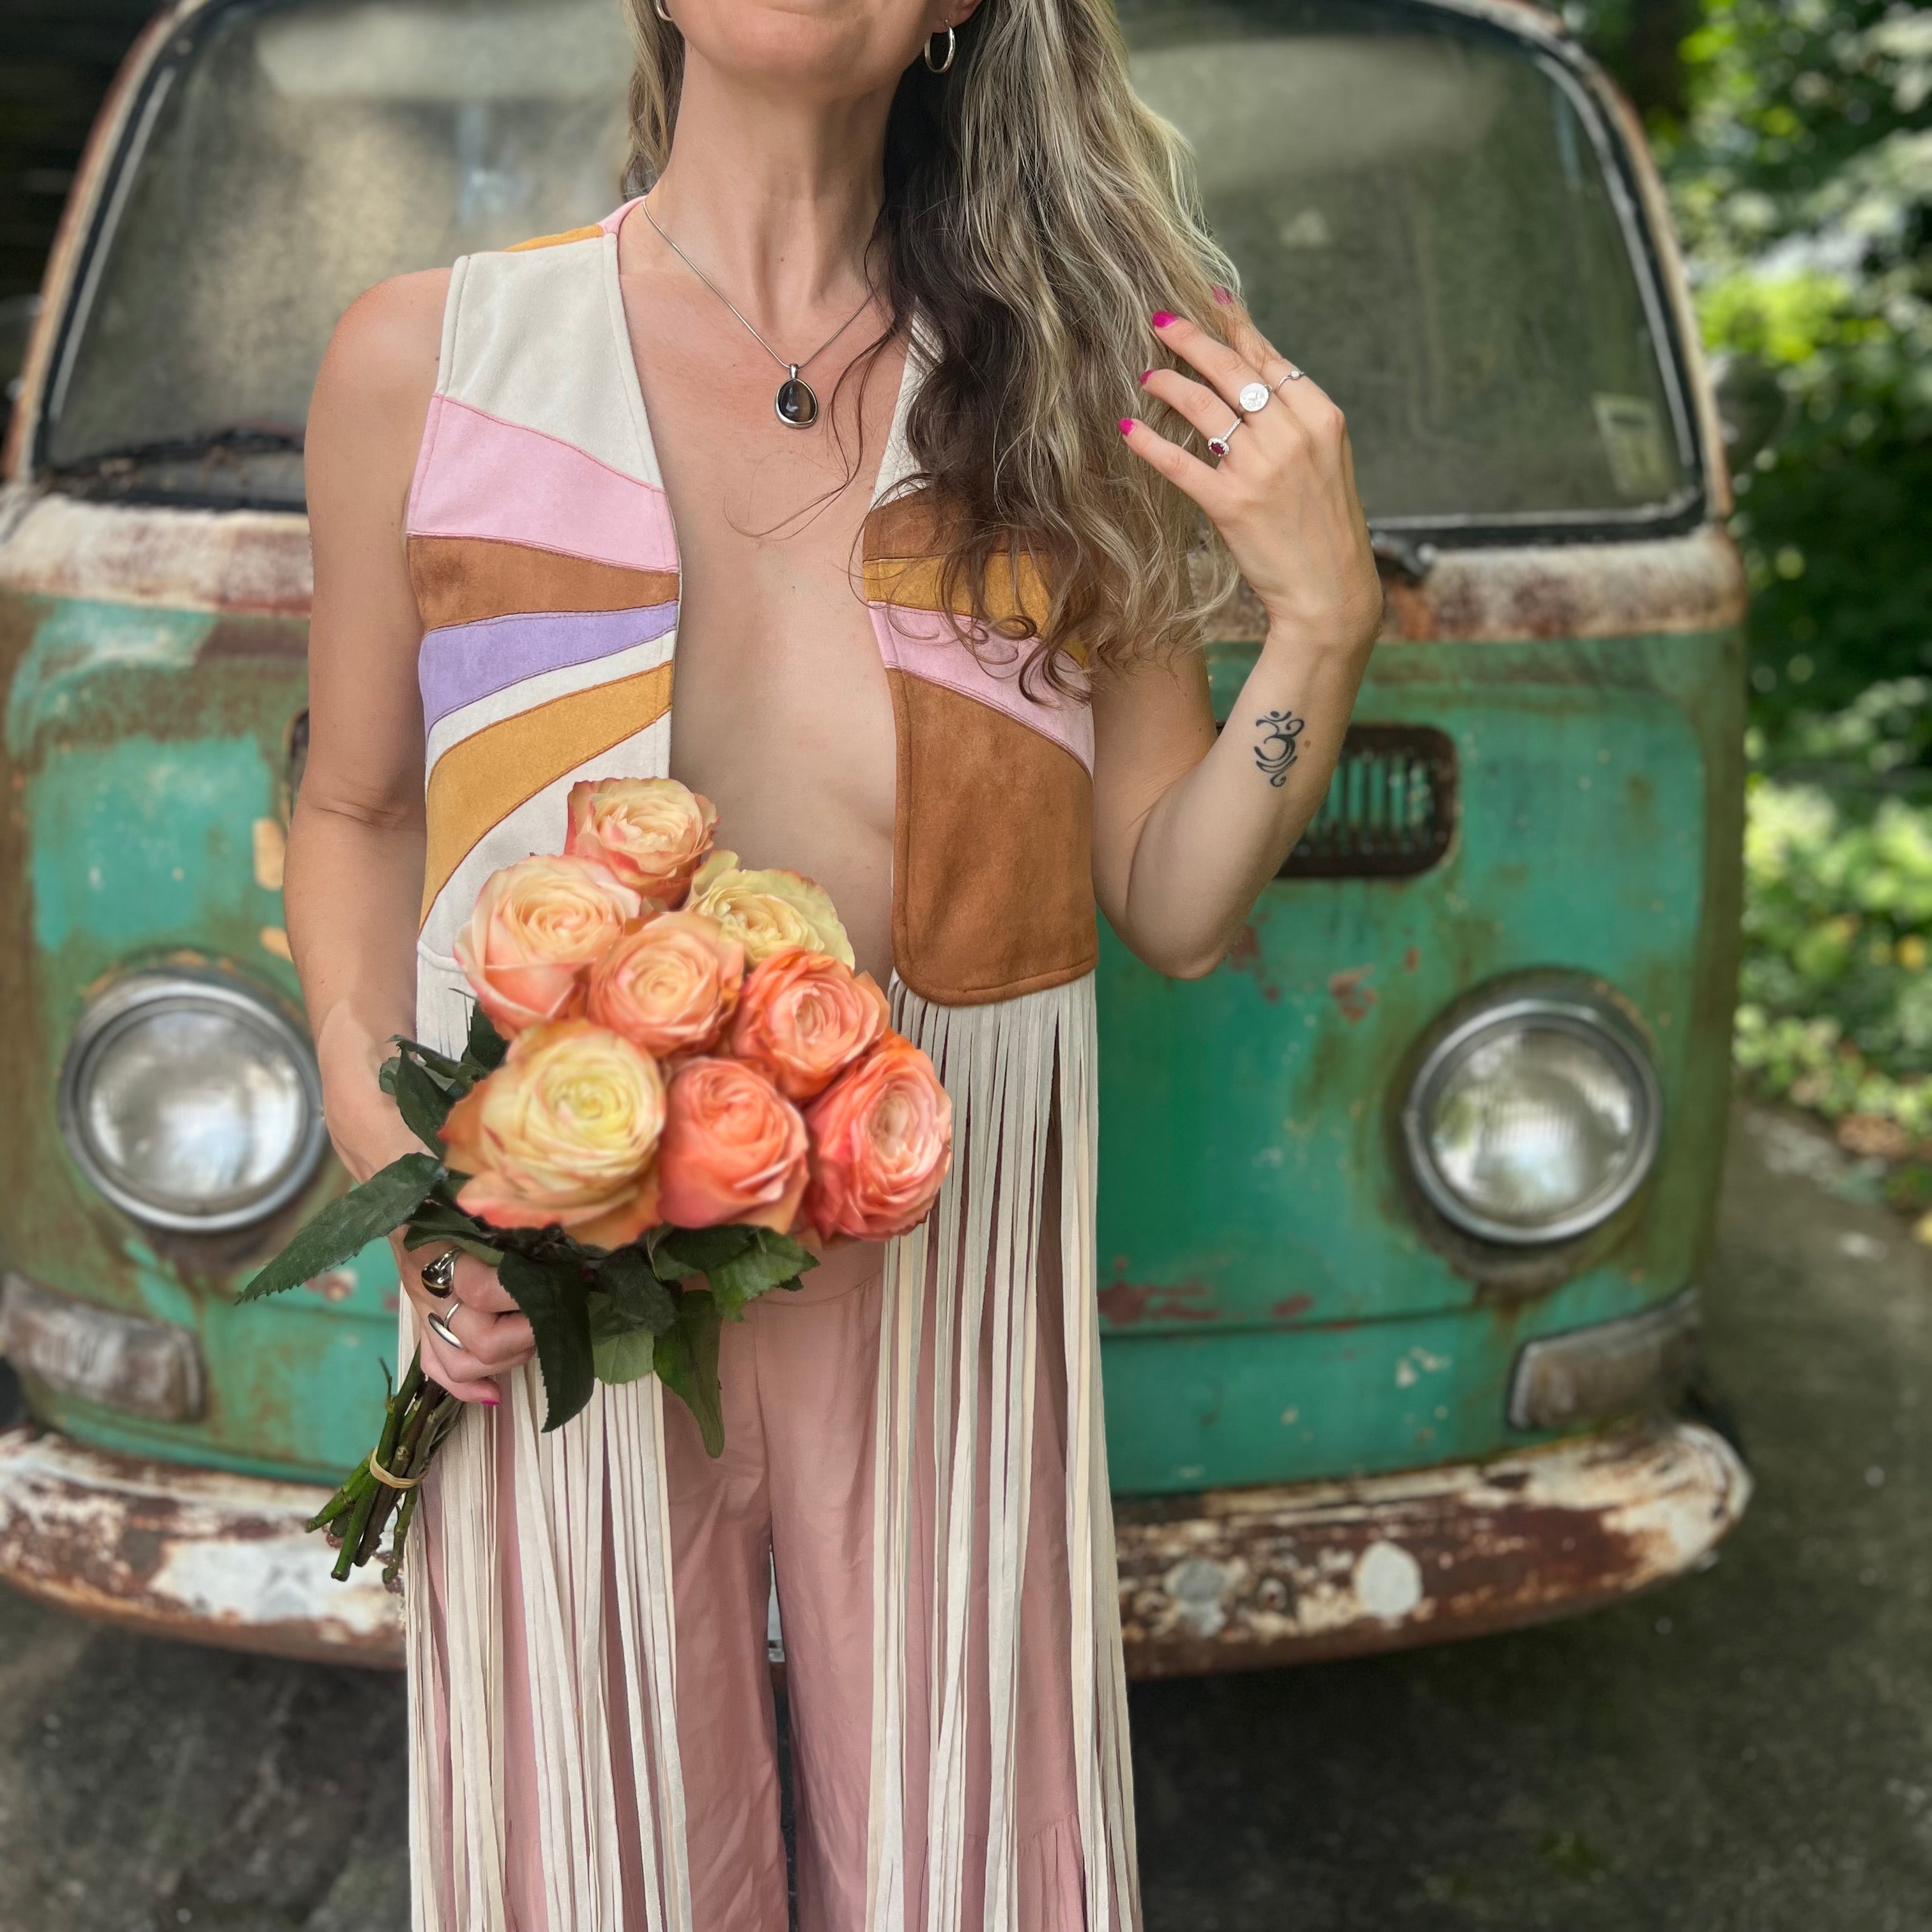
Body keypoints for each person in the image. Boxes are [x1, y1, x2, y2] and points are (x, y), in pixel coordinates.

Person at [289, 1, 1381, 1926]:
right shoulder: (428, 358)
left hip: (946, 1239)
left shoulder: (1069, 384)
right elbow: (359, 812)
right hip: (565, 1253)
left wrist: (1321, 620)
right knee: (598, 1858)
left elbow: (1177, 898)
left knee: (970, 1854)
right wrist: (410, 1190)